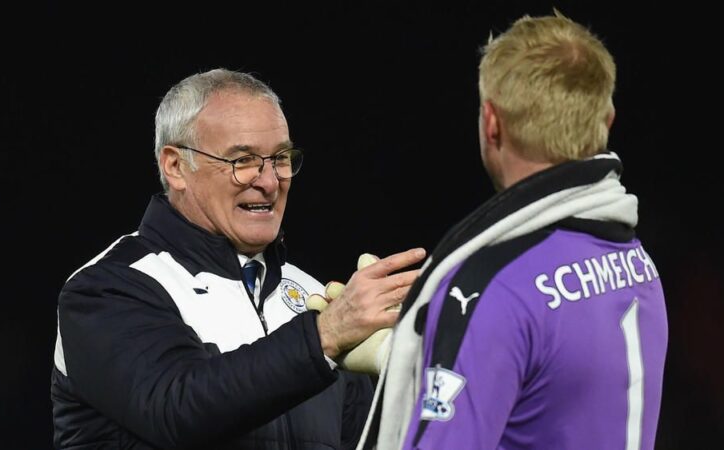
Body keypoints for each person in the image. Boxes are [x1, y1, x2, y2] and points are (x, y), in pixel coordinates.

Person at [51, 68, 425, 449]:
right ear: (176, 166)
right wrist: (324, 337)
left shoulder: (313, 296)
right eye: (242, 161)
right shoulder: (107, 288)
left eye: (280, 157)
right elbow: (176, 409)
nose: (269, 181)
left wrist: (406, 372)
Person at [358, 11, 668, 450]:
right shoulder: (635, 262)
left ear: (491, 122)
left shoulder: (491, 289)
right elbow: (554, 395)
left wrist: (453, 334)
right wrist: (412, 358)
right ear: (608, 120)